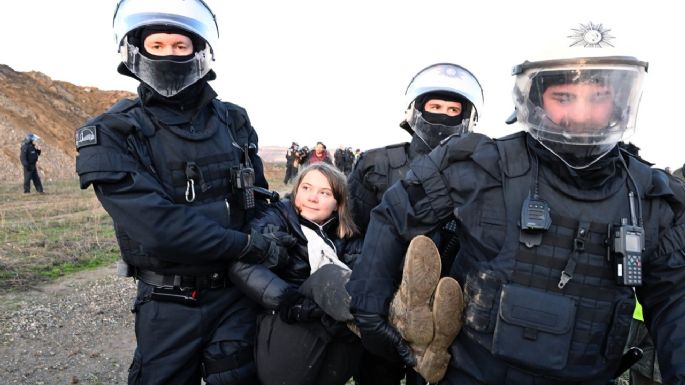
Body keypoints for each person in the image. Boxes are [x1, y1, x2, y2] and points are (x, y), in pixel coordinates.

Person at [347, 22, 685, 385]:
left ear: (619, 101)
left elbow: (675, 300)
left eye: (598, 96)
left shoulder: (650, 198)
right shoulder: (481, 164)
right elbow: (395, 215)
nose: (583, 113)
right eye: (565, 97)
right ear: (536, 100)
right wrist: (369, 307)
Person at [74, 1, 295, 384]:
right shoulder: (113, 131)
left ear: (200, 50)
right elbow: (160, 228)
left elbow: (259, 197)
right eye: (158, 45)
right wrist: (248, 245)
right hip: (168, 303)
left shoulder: (234, 120)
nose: (170, 55)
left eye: (181, 46)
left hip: (236, 294)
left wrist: (270, 231)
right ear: (136, 50)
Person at [346, 62, 483, 385]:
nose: (443, 117)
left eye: (453, 109)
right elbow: (352, 231)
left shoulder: (478, 175)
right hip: (382, 303)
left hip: (445, 317)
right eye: (435, 107)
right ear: (416, 109)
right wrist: (371, 292)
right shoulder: (376, 164)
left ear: (467, 118)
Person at [228, 163, 363, 385]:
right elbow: (240, 265)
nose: (312, 198)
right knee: (330, 275)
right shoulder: (275, 219)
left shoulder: (346, 237)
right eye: (306, 188)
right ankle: (387, 321)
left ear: (338, 203)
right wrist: (290, 301)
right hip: (286, 329)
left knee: (362, 280)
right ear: (296, 190)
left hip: (333, 332)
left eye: (324, 193)